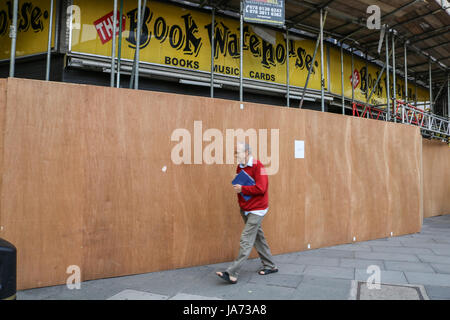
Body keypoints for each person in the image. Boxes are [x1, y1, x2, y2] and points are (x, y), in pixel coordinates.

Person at [216, 142, 278, 284]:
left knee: (246, 239)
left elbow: (261, 188)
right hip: (246, 208)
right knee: (257, 238)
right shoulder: (240, 166)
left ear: (247, 153)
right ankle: (271, 266)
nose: (236, 155)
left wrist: (242, 189)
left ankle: (232, 273)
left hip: (258, 209)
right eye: (235, 153)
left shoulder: (258, 166)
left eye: (238, 152)